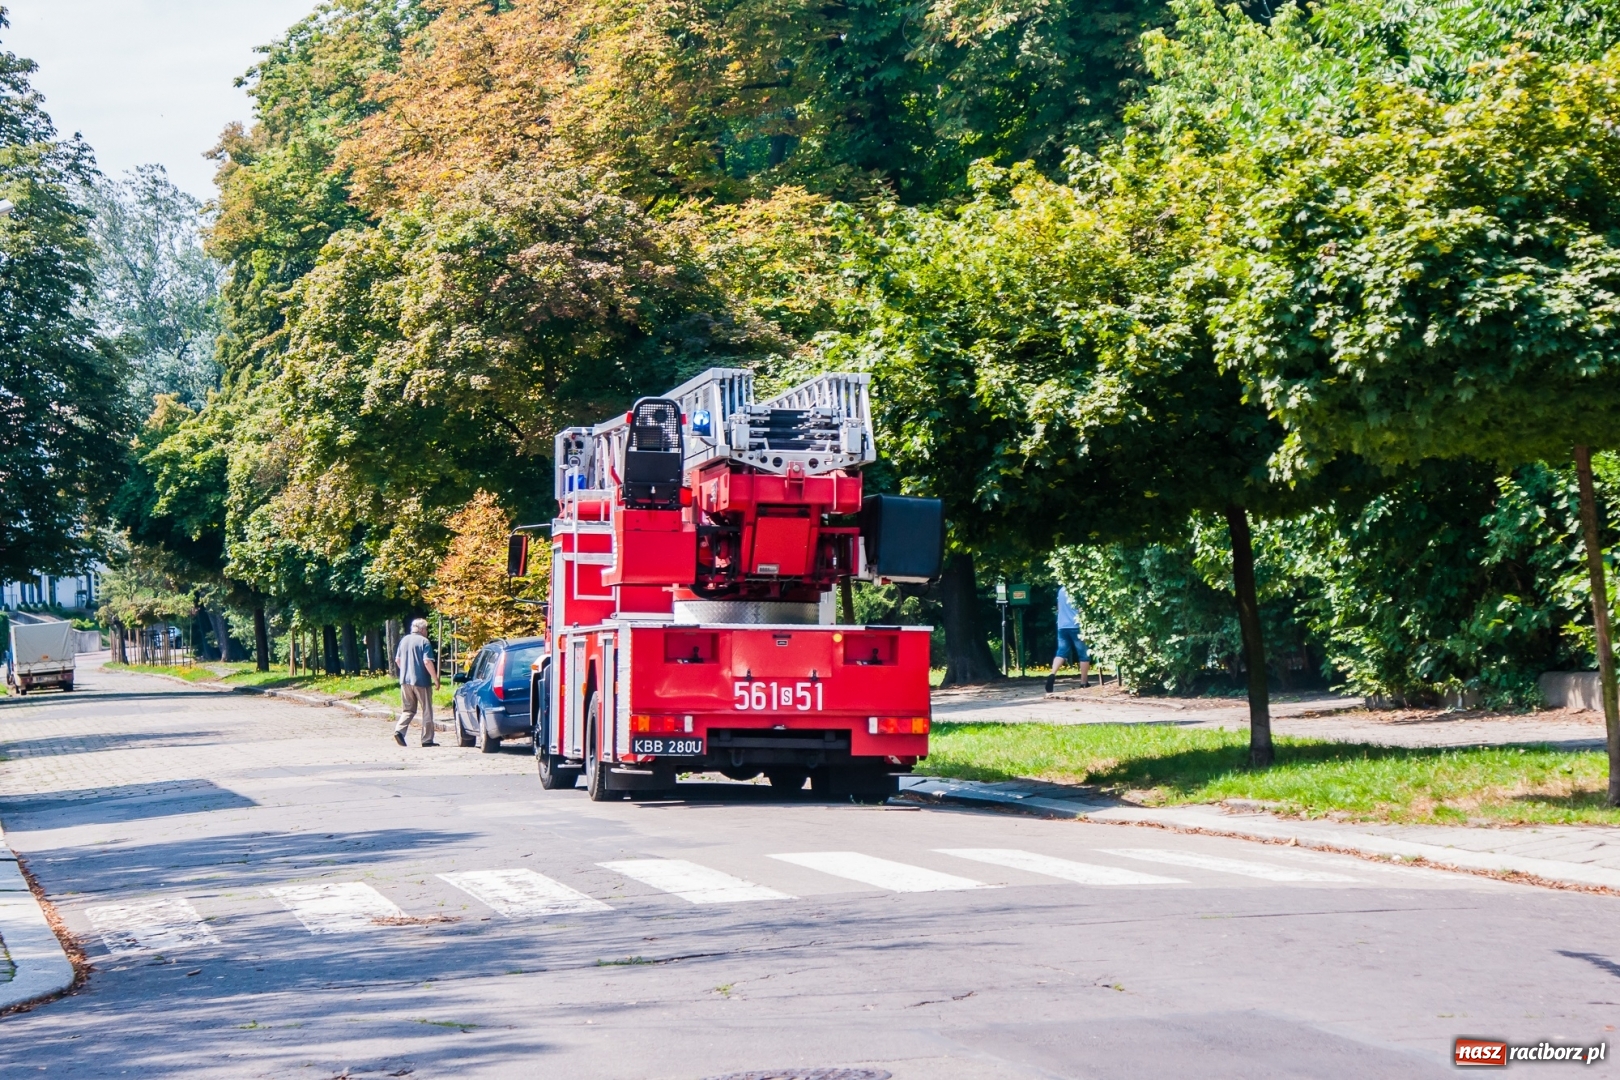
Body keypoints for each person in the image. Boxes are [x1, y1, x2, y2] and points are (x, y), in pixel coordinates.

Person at [392, 618, 441, 747]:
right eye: (426, 629)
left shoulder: (404, 640)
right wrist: (435, 679)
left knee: (408, 709)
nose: (427, 632)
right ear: (422, 629)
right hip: (421, 681)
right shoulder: (424, 641)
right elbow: (427, 661)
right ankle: (427, 739)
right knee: (427, 710)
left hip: (405, 681)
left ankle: (399, 730)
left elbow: (397, 660)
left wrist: (406, 671)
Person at [1045, 585, 1090, 693]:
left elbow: (1059, 608)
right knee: (1083, 654)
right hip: (1076, 626)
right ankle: (1083, 683)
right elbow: (1081, 609)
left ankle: (1052, 674)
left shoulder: (1061, 590)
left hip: (1062, 626)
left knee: (1061, 652)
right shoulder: (1078, 589)